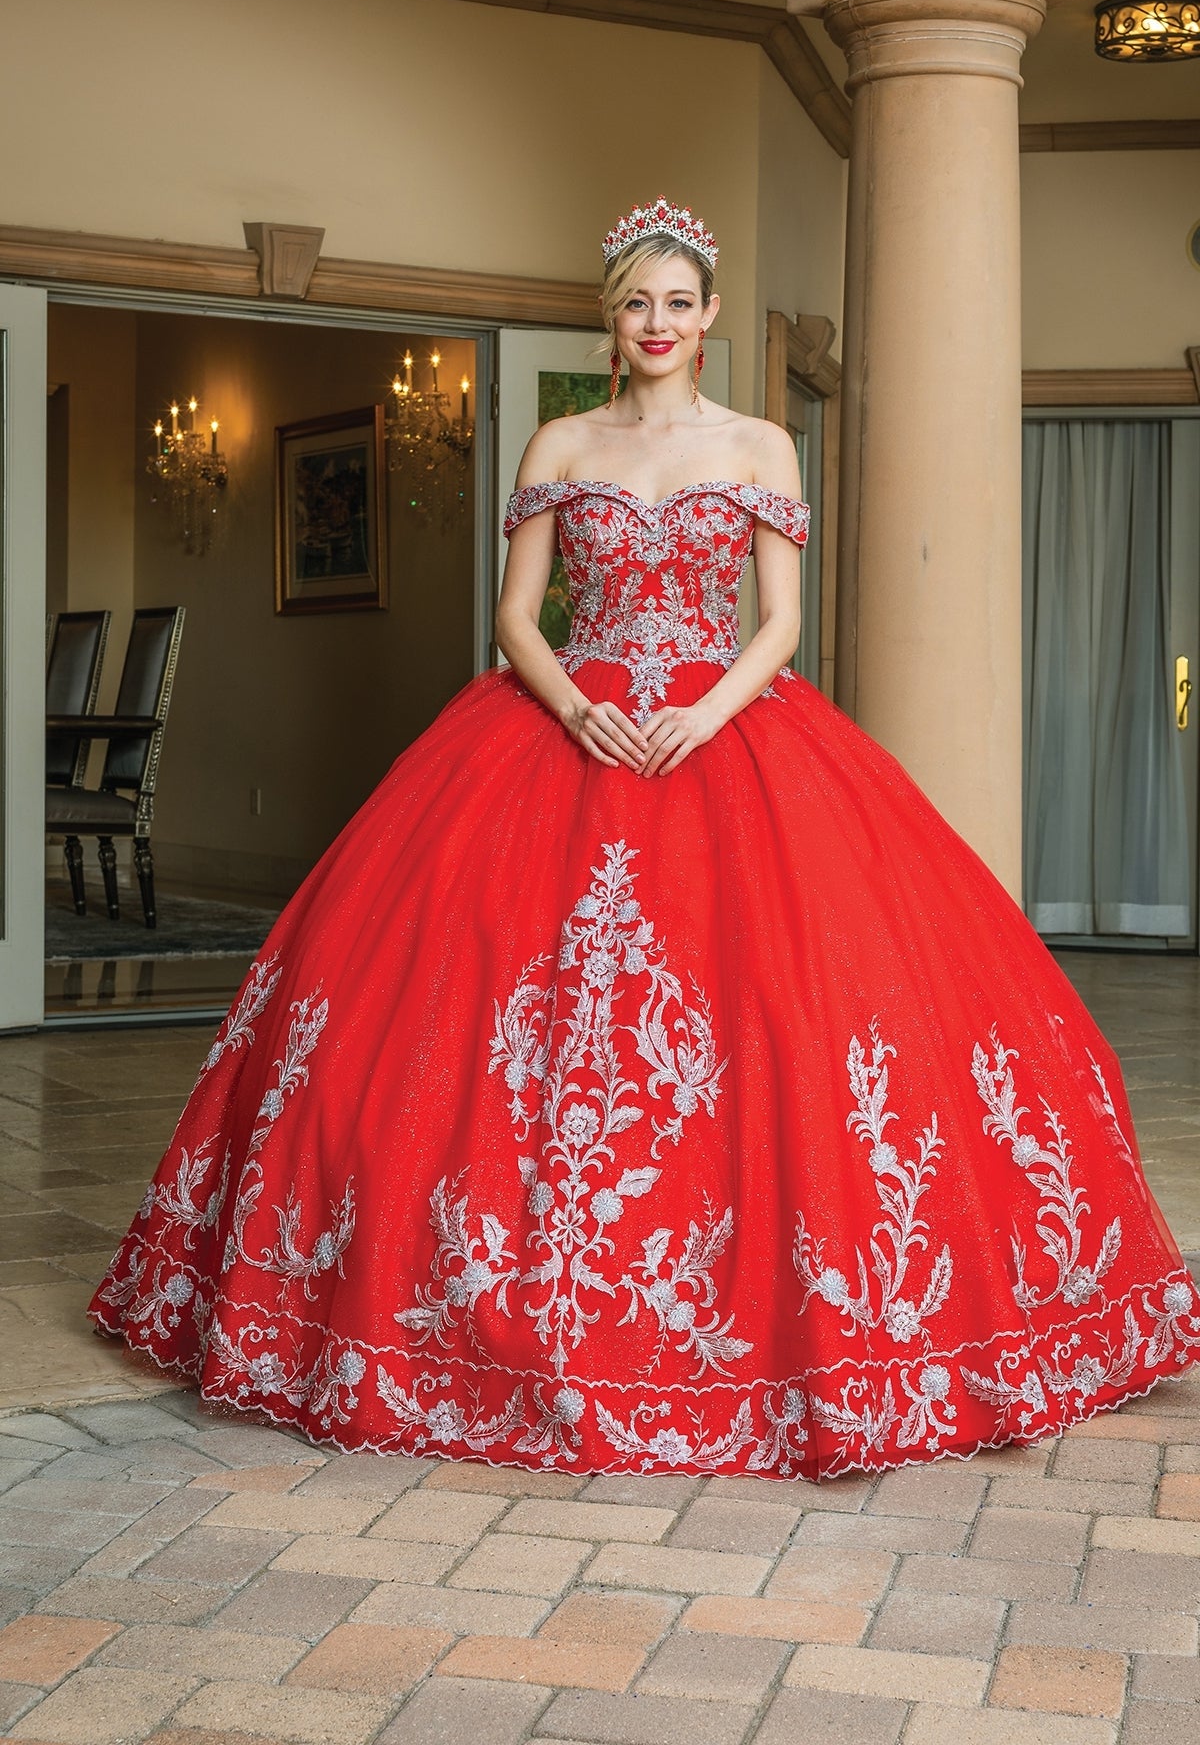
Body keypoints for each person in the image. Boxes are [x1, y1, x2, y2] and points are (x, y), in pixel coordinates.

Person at [91, 197, 1200, 1479]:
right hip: (563, 727)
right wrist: (579, 708)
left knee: (789, 1014)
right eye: (636, 302)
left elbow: (778, 625)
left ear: (711, 317)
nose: (659, 322)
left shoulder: (762, 444)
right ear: (609, 316)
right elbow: (517, 616)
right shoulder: (561, 439)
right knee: (463, 1010)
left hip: (726, 728)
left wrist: (705, 713)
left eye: (680, 302)